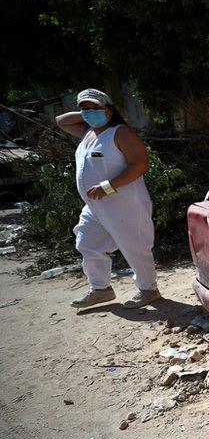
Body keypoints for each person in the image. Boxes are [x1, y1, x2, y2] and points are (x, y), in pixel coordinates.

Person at [56, 88, 161, 309]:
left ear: (110, 110)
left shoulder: (120, 133)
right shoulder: (87, 132)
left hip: (124, 203)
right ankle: (100, 288)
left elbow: (140, 164)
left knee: (134, 246)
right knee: (87, 242)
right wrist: (88, 113)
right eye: (85, 109)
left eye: (96, 108)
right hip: (95, 206)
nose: (89, 113)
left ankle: (149, 290)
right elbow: (61, 121)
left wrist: (109, 186)